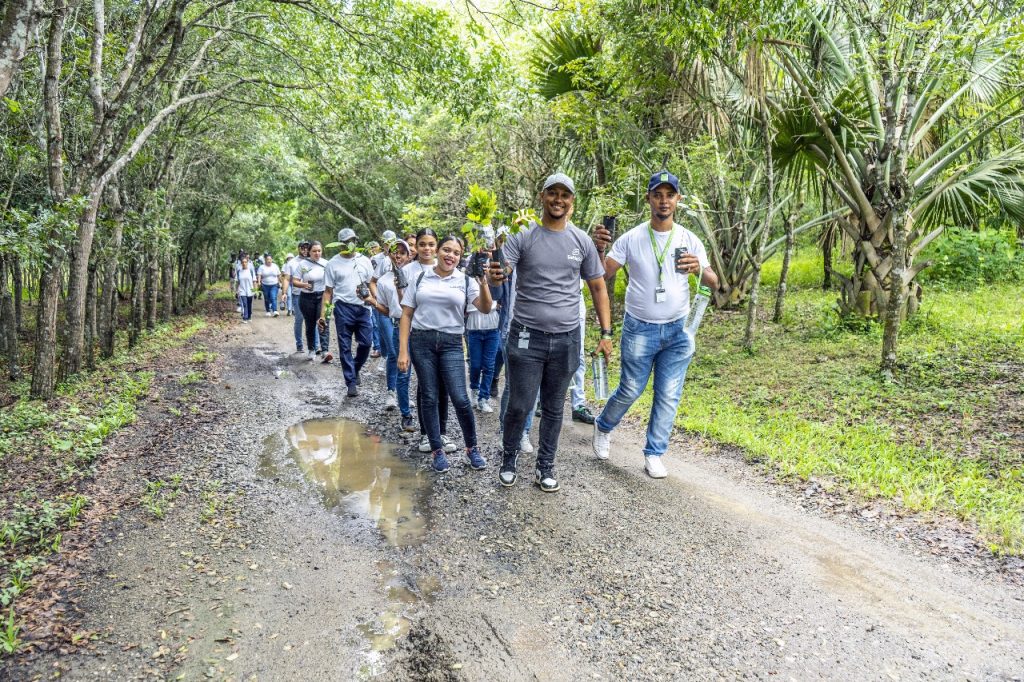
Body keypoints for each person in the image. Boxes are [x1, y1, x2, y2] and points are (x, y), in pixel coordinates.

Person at [488, 173, 612, 492]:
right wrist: (496, 272)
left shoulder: (581, 241)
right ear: (542, 196)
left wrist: (606, 333)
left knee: (556, 407)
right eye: (553, 193)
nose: (559, 199)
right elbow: (503, 273)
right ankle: (510, 457)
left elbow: (597, 286)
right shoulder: (524, 234)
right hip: (527, 334)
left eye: (565, 195)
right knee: (520, 403)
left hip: (567, 338)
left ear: (572, 201)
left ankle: (546, 465)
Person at [590, 170, 719, 478]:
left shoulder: (690, 239)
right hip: (640, 329)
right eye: (657, 195)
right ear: (648, 199)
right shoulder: (632, 238)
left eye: (669, 195)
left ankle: (654, 453)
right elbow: (601, 274)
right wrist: (597, 249)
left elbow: (714, 282)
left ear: (678, 200)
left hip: (677, 330)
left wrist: (699, 269)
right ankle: (604, 425)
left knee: (669, 393)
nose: (664, 201)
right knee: (632, 387)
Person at [398, 235, 492, 473]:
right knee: (429, 396)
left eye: (456, 253)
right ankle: (437, 449)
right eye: (446, 250)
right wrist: (403, 351)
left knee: (460, 397)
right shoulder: (420, 277)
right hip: (422, 342)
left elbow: (485, 307)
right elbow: (407, 314)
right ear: (438, 251)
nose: (451, 255)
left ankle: (472, 449)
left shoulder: (465, 279)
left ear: (460, 257)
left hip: (451, 342)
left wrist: (483, 282)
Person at [401, 229, 457, 455]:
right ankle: (426, 433)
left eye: (431, 244)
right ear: (416, 247)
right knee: (426, 386)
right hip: (417, 332)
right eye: (422, 244)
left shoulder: (447, 266)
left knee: (443, 385)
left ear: (437, 247)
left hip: (445, 335)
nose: (426, 249)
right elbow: (405, 307)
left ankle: (440, 431)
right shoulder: (409, 271)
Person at [363, 240, 415, 429]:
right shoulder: (384, 280)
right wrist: (372, 300)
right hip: (397, 325)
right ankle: (402, 408)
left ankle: (409, 398)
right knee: (399, 363)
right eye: (395, 252)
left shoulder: (416, 274)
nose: (399, 256)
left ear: (409, 255)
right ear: (390, 255)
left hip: (419, 328)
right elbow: (387, 310)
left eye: (403, 253)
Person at [320, 228, 374, 397]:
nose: (350, 244)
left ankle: (356, 367)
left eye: (353, 241)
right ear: (340, 245)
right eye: (346, 242)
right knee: (344, 346)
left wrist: (376, 302)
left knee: (366, 343)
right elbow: (328, 292)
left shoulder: (364, 261)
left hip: (363, 307)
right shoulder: (332, 264)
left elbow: (371, 283)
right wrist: (324, 315)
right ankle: (350, 381)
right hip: (343, 307)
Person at [466, 277, 501, 413]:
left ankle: (483, 398)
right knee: (475, 365)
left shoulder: (495, 279)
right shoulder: (468, 280)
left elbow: (500, 298)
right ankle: (474, 390)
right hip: (474, 329)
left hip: (492, 328)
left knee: (489, 365)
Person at [294, 241, 329, 361]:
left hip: (323, 296)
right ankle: (311, 349)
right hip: (307, 298)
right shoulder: (303, 264)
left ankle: (325, 351)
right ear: (309, 252)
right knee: (310, 325)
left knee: (323, 322)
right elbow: (295, 281)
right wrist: (303, 285)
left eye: (319, 251)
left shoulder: (326, 263)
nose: (317, 253)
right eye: (314, 251)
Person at [236, 253, 256, 323]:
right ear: (241, 263)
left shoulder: (251, 271)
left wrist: (255, 291)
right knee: (244, 304)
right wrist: (237, 291)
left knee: (249, 304)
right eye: (243, 262)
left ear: (247, 262)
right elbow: (237, 282)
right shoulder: (239, 272)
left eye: (245, 262)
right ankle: (245, 317)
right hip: (242, 290)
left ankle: (249, 316)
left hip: (250, 290)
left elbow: (254, 281)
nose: (244, 263)